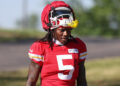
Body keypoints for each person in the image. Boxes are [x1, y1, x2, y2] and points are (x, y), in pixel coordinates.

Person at [26, 1, 87, 86]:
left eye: (69, 30)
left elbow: (82, 80)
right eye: (62, 30)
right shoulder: (40, 47)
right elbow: (31, 81)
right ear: (52, 29)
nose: (66, 33)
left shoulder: (78, 45)